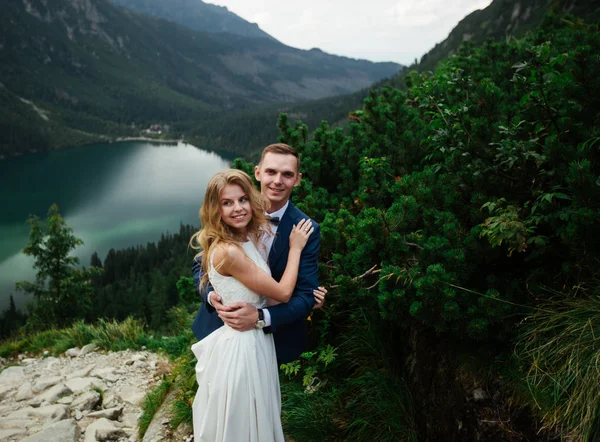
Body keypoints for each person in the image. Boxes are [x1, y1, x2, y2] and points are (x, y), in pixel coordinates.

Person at [189, 169, 314, 441]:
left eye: (243, 200)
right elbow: (281, 292)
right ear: (215, 209)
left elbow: (260, 289)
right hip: (242, 348)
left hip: (255, 341)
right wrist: (295, 248)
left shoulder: (243, 237)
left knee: (256, 417)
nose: (238, 208)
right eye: (227, 203)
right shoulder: (229, 251)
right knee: (244, 420)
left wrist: (311, 297)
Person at [191, 143, 326, 364]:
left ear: (297, 179)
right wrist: (211, 295)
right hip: (220, 329)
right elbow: (200, 265)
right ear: (258, 173)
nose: (277, 181)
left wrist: (262, 317)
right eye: (271, 172)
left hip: (272, 339)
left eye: (287, 174)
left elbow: (304, 295)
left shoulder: (305, 229)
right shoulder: (233, 213)